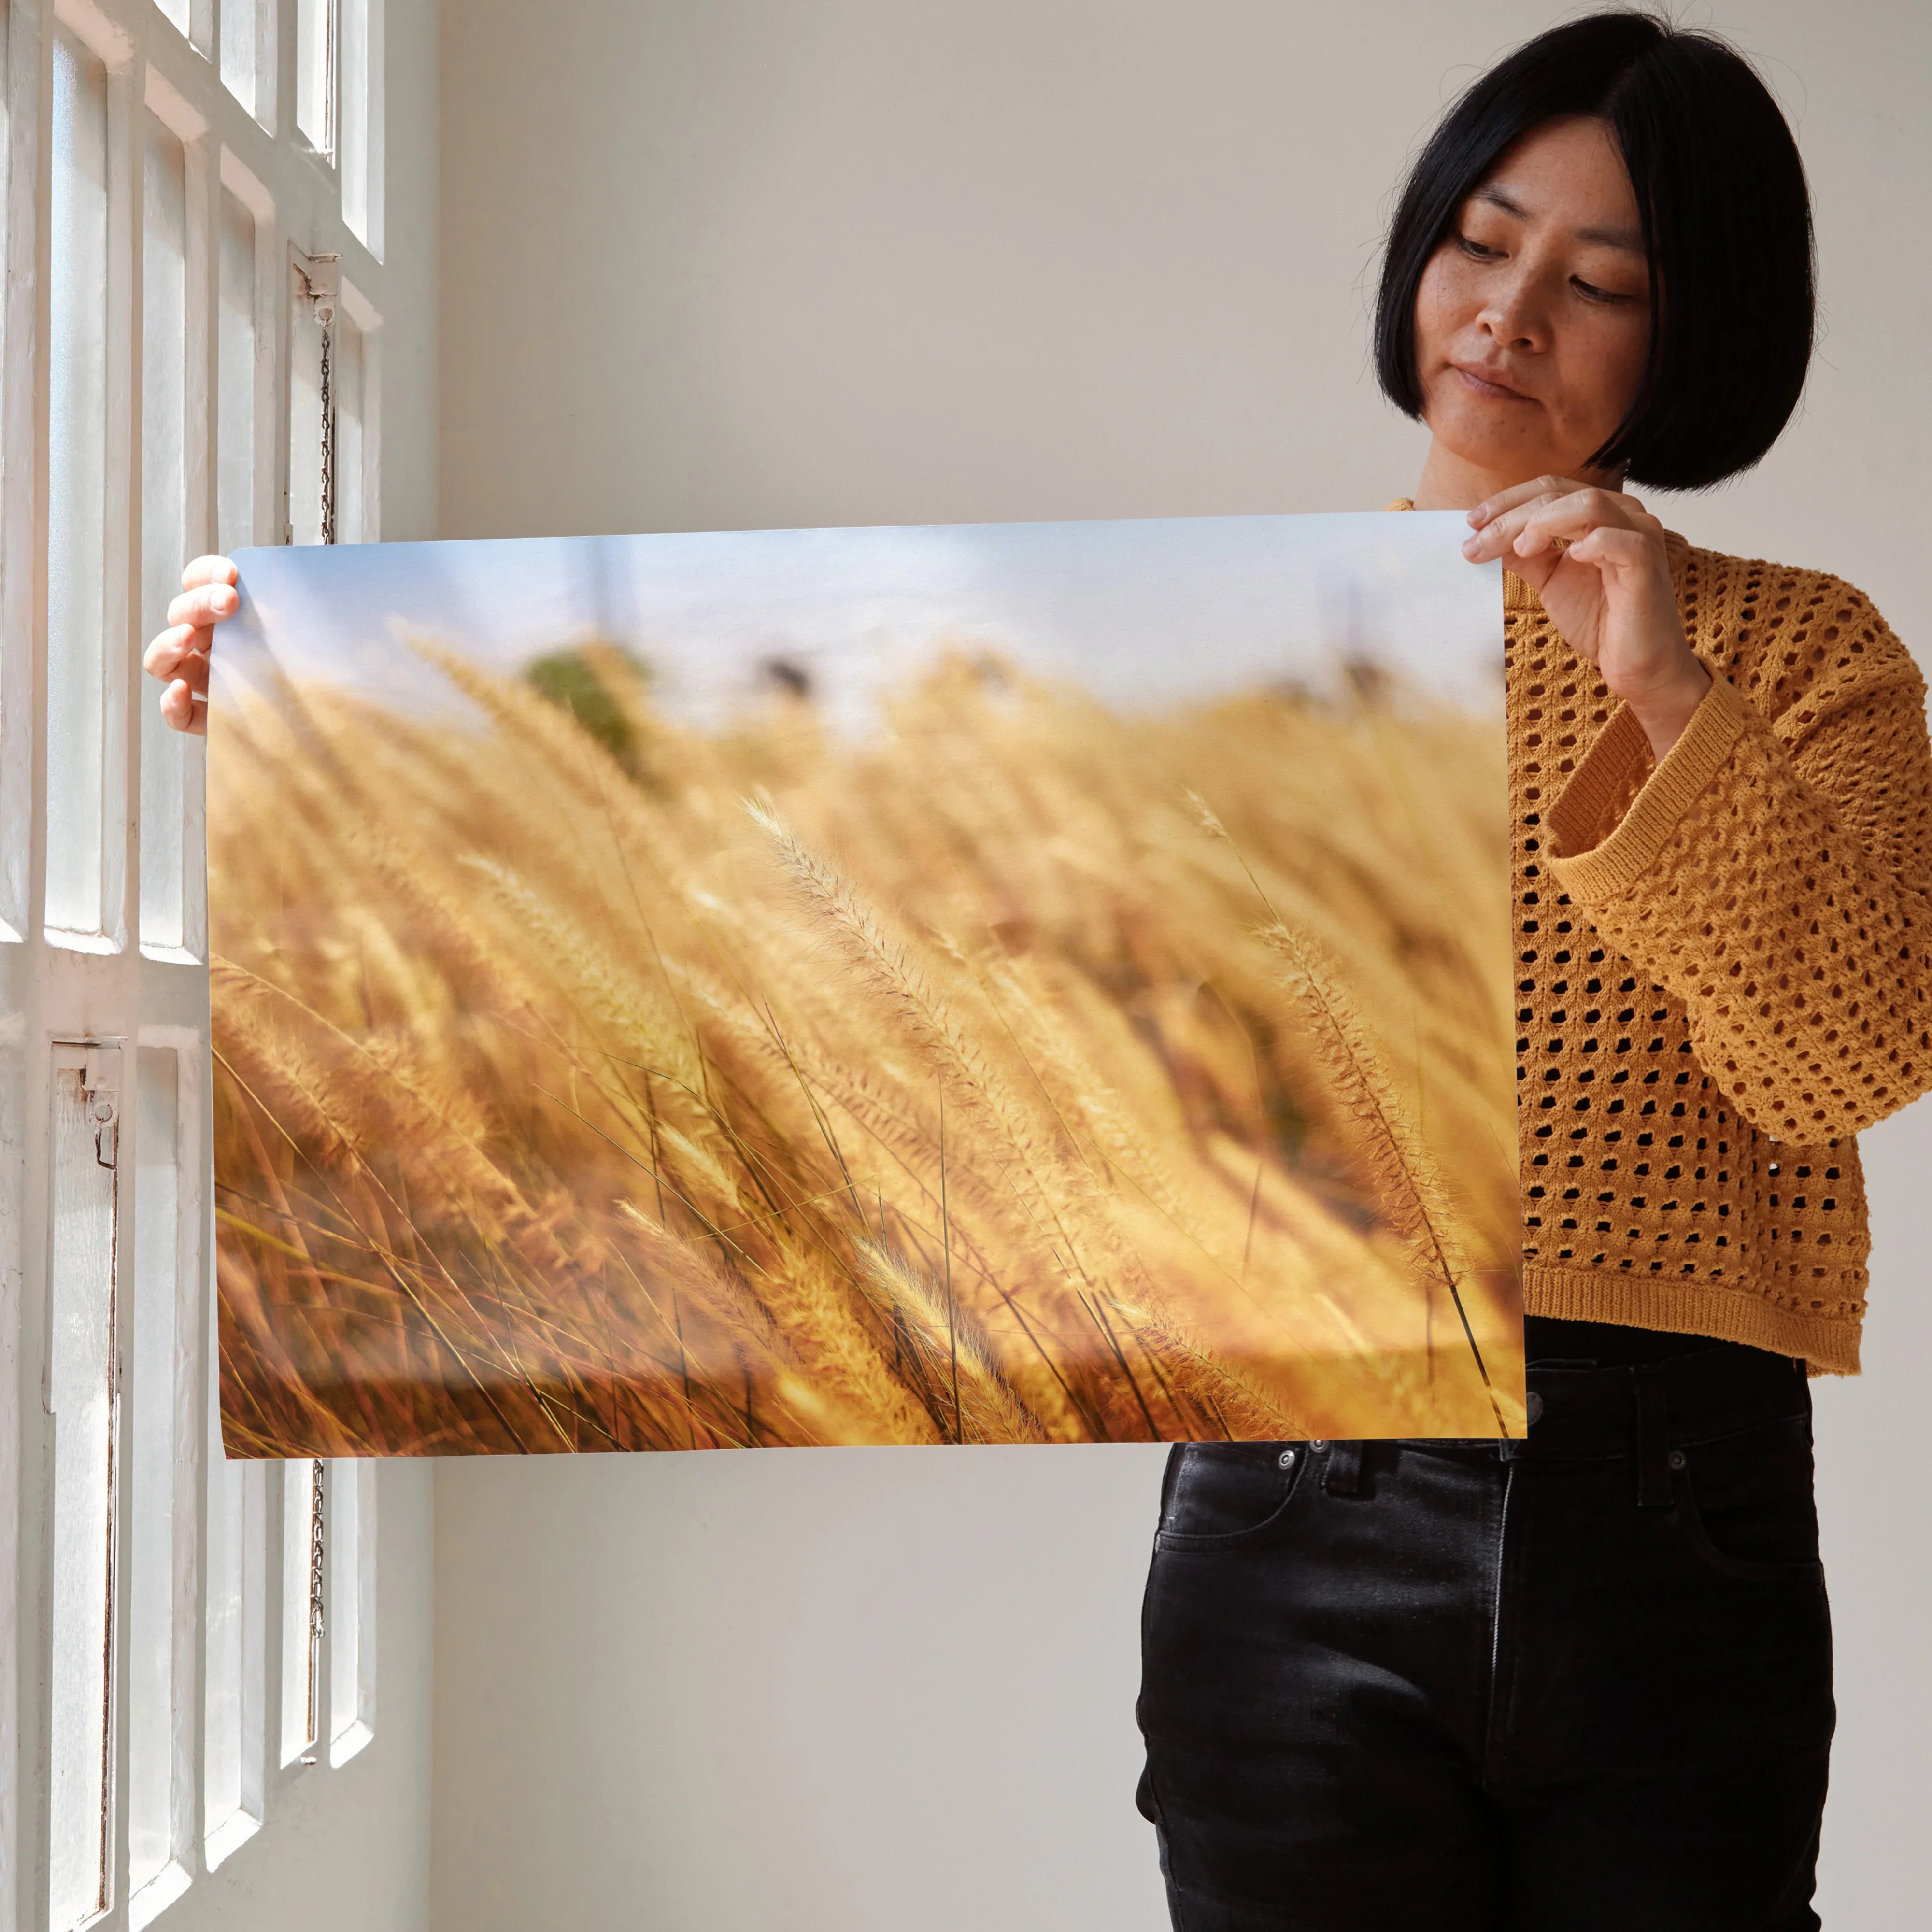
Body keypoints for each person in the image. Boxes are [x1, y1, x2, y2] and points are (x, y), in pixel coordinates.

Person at [146, 11, 1930, 1928]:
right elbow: (805, 893)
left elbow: (1839, 1057)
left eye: (1598, 285)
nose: (1506, 316)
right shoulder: (1211, 651)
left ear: (1699, 336)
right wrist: (324, 710)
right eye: (1480, 241)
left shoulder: (1804, 659)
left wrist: (1660, 684)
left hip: (1676, 1514)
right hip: (1294, 1491)